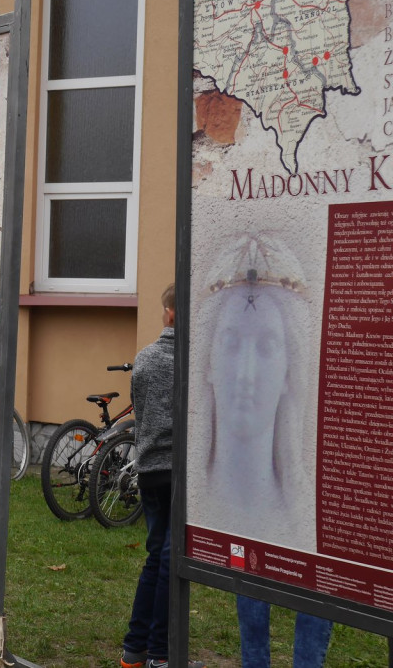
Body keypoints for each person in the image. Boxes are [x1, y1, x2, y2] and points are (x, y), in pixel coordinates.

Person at [195, 233, 332, 666]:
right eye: (231, 342)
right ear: (209, 360)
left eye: (268, 345)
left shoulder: (303, 507)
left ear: (291, 367)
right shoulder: (204, 497)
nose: (246, 374)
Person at [119, 283, 202, 668]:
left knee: (157, 556)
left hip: (149, 471)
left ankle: (134, 650)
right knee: (171, 560)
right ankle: (160, 655)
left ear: (169, 313)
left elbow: (137, 405)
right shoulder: (192, 360)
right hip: (179, 473)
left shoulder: (145, 358)